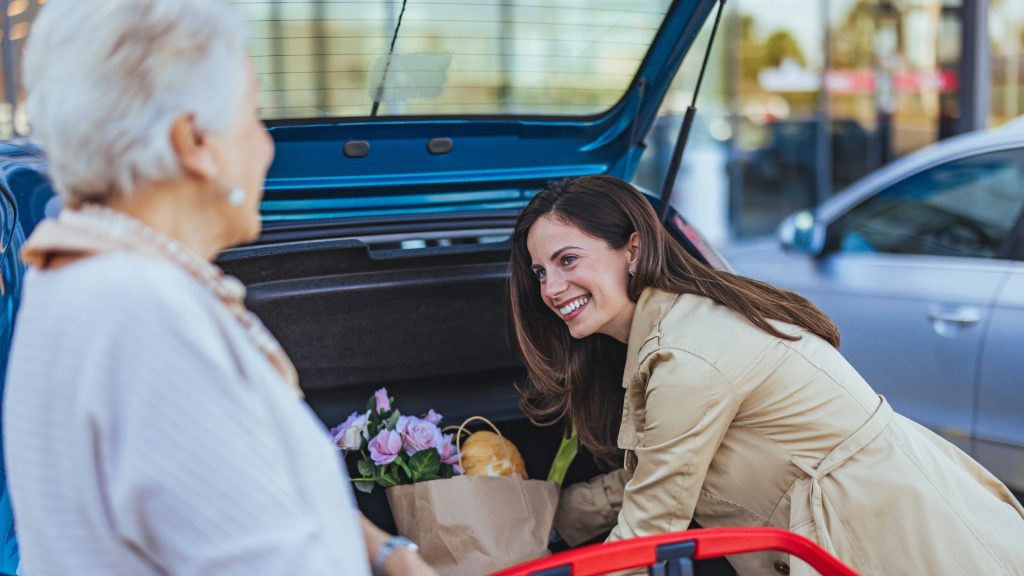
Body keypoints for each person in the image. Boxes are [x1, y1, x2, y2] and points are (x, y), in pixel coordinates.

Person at [2, 1, 434, 575]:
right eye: (252, 116)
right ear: (193, 142)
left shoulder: (74, 274)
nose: (267, 146)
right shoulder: (148, 321)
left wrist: (385, 552)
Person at [508, 175, 1024, 575]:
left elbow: (649, 529)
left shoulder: (687, 355)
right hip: (885, 522)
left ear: (633, 249)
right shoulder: (679, 324)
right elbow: (654, 473)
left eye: (568, 260)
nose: (551, 288)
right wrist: (540, 523)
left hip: (897, 541)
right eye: (540, 272)